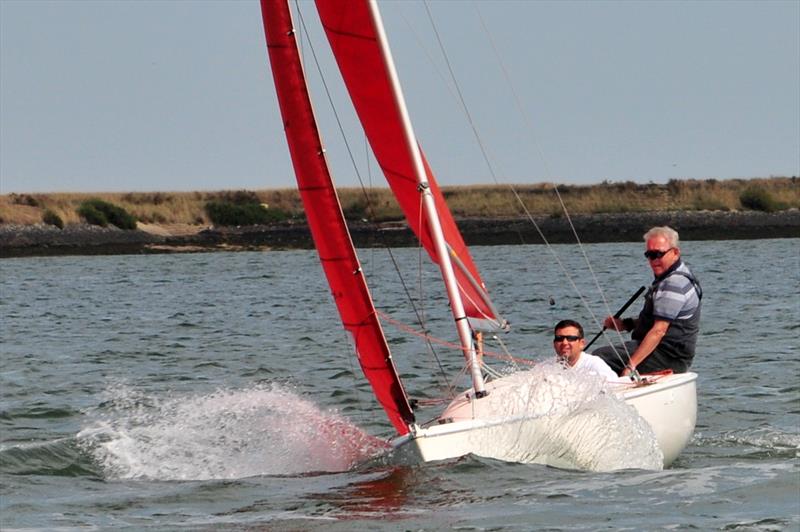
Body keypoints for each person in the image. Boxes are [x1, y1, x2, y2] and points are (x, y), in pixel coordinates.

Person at [594, 226, 702, 377]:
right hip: (665, 352)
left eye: (658, 254)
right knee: (601, 357)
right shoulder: (679, 274)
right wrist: (625, 324)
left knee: (599, 358)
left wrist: (631, 366)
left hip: (669, 357)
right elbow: (659, 319)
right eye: (649, 255)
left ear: (675, 252)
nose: (654, 260)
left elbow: (659, 330)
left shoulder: (673, 283)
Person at [553, 319, 618, 380]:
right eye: (559, 339)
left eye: (570, 338)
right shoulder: (547, 367)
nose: (564, 342)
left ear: (582, 344)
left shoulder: (595, 365)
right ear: (554, 344)